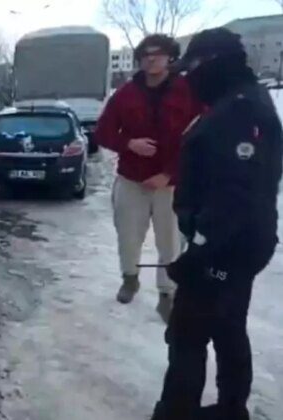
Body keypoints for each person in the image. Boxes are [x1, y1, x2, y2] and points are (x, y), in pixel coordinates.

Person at [152, 28, 282, 420]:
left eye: (191, 68)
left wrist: (202, 253)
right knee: (227, 328)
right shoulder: (239, 102)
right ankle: (230, 409)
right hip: (235, 242)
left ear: (211, 64)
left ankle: (179, 412)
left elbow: (236, 193)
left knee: (188, 333)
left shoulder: (240, 110)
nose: (189, 78)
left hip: (227, 246)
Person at [95, 34, 202, 322]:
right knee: (128, 236)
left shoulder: (188, 92)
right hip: (132, 180)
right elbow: (102, 132)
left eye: (157, 54)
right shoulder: (126, 94)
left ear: (170, 57)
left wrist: (169, 173)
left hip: (171, 184)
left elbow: (199, 138)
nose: (150, 59)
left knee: (170, 242)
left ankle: (167, 294)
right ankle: (130, 278)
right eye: (145, 55)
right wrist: (128, 143)